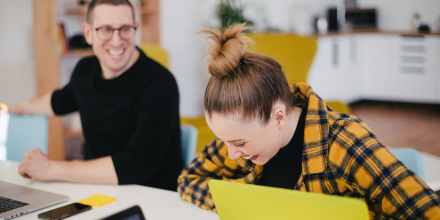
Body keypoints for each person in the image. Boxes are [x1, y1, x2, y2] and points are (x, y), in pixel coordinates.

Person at [177, 23, 440, 219]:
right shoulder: (240, 139)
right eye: (226, 142)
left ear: (278, 116)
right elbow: (188, 180)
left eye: (239, 143)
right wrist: (246, 201)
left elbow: (426, 212)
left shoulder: (345, 141)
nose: (232, 154)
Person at [4, 0, 183, 191]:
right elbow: (58, 101)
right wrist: (14, 108)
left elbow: (137, 165)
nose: (116, 41)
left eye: (125, 29)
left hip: (152, 197)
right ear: (88, 33)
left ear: (135, 29)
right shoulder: (85, 70)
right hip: (96, 190)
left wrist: (51, 169)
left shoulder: (160, 83)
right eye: (106, 29)